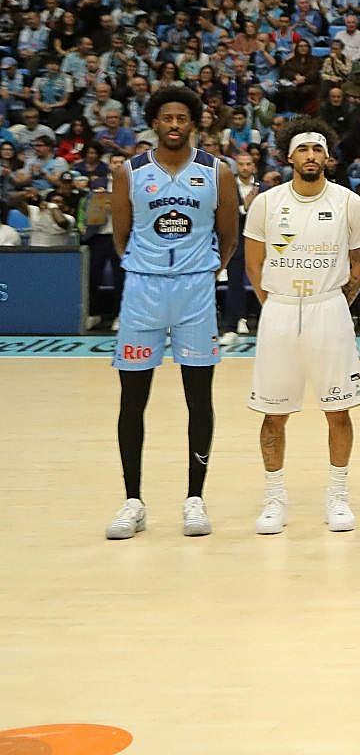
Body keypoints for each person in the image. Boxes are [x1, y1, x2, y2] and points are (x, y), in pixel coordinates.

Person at [105, 87, 240, 541]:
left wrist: (199, 270)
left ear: (194, 124)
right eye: (167, 118)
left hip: (195, 291)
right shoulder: (128, 173)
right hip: (143, 290)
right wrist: (150, 266)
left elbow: (229, 238)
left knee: (198, 398)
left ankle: (194, 499)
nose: (175, 124)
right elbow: (121, 235)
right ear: (154, 123)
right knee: (132, 399)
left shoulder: (217, 172)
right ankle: (132, 501)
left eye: (182, 117)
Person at [244, 119, 360, 535]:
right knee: (273, 412)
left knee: (338, 408)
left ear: (327, 157)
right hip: (280, 310)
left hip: (328, 309)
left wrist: (337, 303)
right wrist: (277, 305)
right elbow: (253, 262)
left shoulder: (348, 202)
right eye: (304, 150)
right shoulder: (266, 203)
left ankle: (337, 497)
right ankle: (274, 498)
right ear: (289, 157)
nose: (311, 156)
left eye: (317, 150)